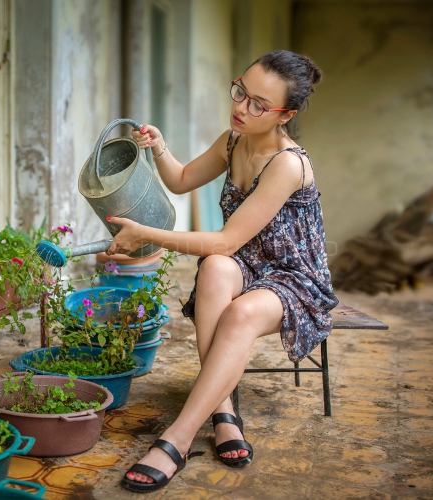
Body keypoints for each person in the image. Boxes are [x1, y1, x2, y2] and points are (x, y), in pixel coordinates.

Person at [107, 50, 339, 493]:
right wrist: (159, 147)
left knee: (239, 312)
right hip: (246, 264)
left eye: (258, 104)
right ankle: (224, 411)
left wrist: (146, 235)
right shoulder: (233, 140)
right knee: (214, 268)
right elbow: (180, 180)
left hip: (295, 277)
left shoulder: (288, 164)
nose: (240, 107)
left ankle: (176, 439)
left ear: (284, 115)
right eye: (240, 92)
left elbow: (227, 239)